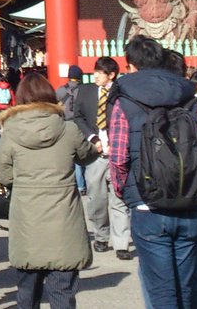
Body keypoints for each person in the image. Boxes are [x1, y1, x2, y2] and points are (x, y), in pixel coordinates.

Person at [109, 36, 197, 309]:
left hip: (146, 204)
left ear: (129, 66)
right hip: (190, 199)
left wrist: (123, 189)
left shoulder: (124, 102)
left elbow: (118, 157)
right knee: (186, 286)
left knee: (160, 290)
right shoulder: (191, 99)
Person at [0, 72, 98, 309]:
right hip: (64, 225)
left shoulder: (10, 132)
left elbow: (2, 174)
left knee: (27, 295)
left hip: (27, 224)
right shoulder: (68, 129)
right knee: (62, 294)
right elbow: (87, 155)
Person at [71, 56, 130, 259]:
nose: (95, 75)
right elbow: (78, 116)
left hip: (118, 153)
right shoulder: (86, 91)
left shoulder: (122, 92)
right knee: (96, 198)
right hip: (95, 153)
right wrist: (92, 137)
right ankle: (101, 236)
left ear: (111, 74)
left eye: (100, 73)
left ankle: (121, 243)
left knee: (119, 199)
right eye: (94, 72)